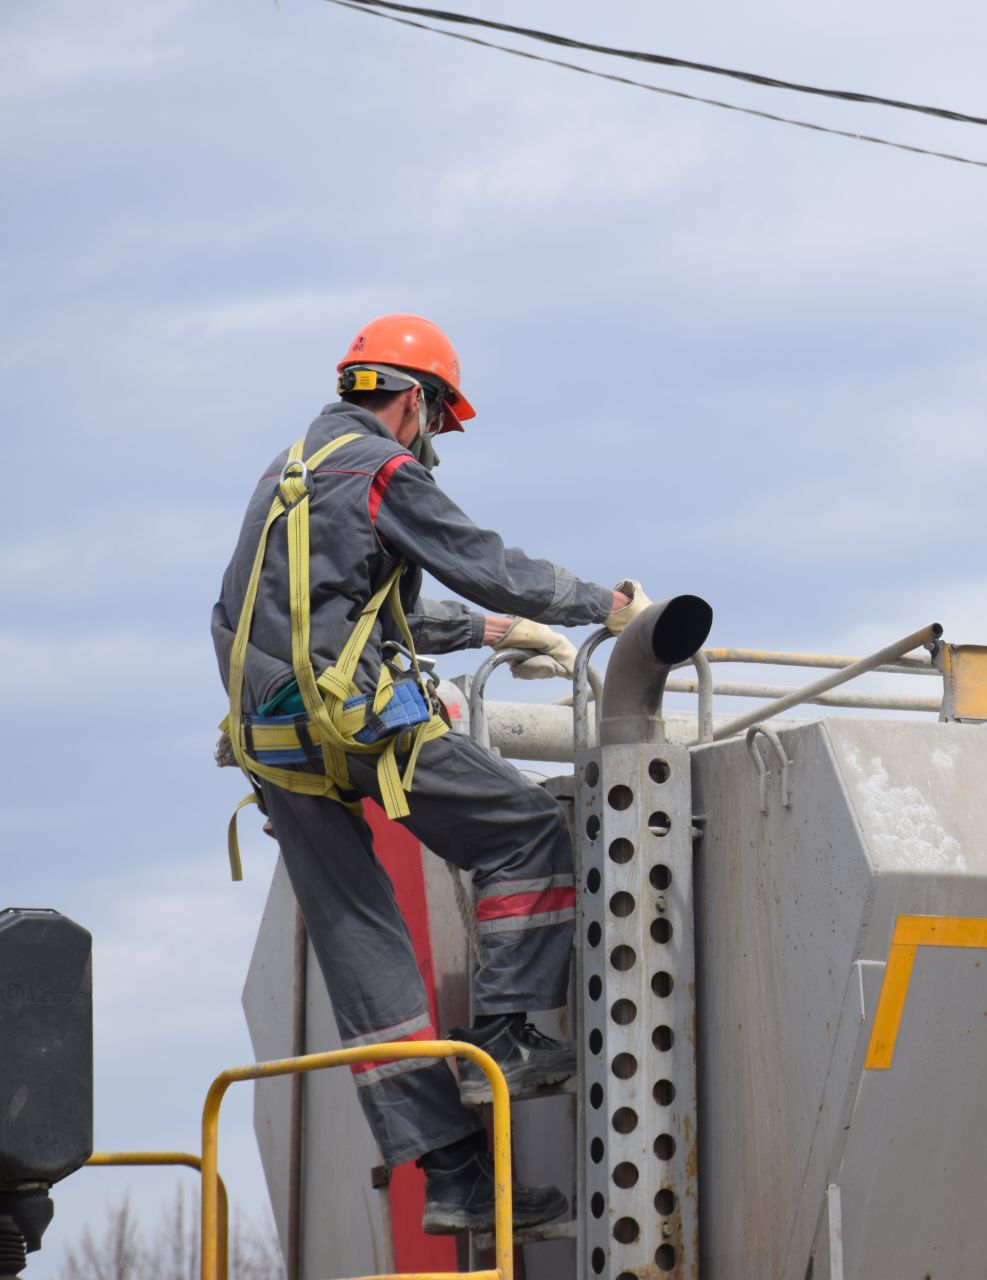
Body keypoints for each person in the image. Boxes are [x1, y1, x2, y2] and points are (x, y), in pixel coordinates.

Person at [211, 314, 636, 1233]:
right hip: (354, 720)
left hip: (275, 743)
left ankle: (452, 1176)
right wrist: (606, 608)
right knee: (526, 832)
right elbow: (485, 563)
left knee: (365, 948)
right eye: (436, 420)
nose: (433, 438)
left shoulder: (285, 481)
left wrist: (490, 636)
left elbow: (341, 610)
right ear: (414, 401)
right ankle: (511, 1028)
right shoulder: (380, 469)